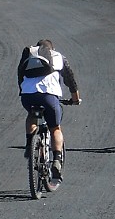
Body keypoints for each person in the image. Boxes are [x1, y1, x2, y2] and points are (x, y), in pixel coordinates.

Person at [18, 39, 81, 187]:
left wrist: (23, 90)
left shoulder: (29, 56)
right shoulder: (58, 56)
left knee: (32, 116)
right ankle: (57, 160)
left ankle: (30, 145)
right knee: (55, 128)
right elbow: (70, 80)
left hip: (28, 95)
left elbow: (20, 75)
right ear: (51, 49)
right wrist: (75, 99)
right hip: (49, 97)